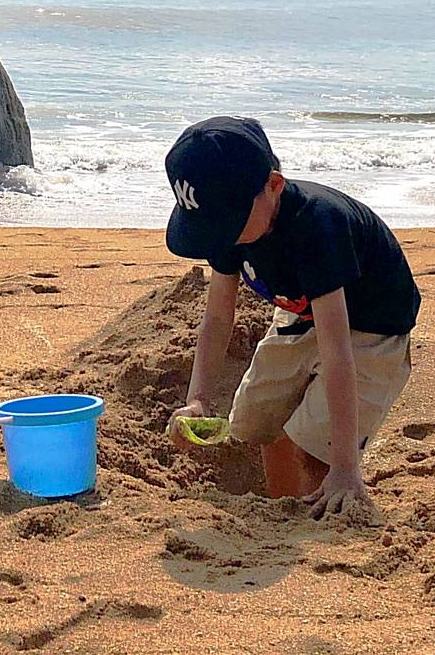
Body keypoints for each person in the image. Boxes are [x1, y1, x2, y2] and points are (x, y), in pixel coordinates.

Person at [163, 116, 420, 517]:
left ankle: (321, 510)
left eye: (226, 225)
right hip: (300, 316)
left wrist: (346, 466)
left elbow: (338, 352)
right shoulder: (226, 226)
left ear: (274, 186)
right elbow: (217, 318)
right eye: (209, 228)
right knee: (255, 424)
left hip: (371, 326)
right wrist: (197, 396)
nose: (220, 238)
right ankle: (282, 508)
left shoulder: (318, 226)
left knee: (316, 449)